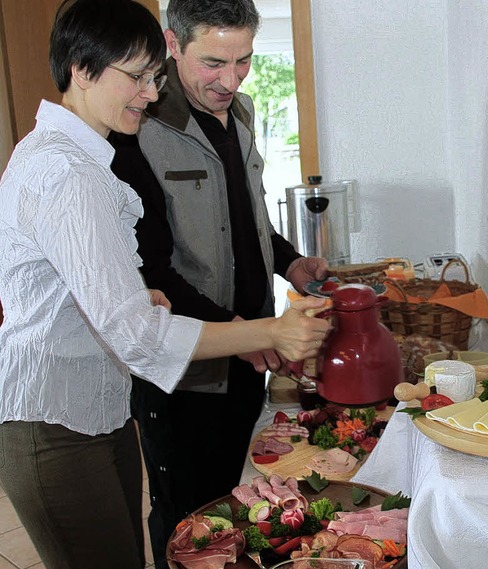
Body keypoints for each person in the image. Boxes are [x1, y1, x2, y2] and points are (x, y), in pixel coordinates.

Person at [0, 1, 330, 568]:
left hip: (97, 412)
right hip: (53, 419)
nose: (152, 95)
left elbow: (96, 287)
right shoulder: (67, 173)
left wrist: (137, 297)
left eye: (153, 79)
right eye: (138, 77)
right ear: (81, 68)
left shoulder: (84, 160)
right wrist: (268, 329)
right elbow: (136, 333)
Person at [109, 1, 329, 566]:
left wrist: (290, 264)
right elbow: (149, 270)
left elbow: (246, 218)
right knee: (189, 523)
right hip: (185, 371)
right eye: (213, 63)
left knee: (243, 505)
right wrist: (245, 331)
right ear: (173, 44)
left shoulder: (243, 113)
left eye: (244, 61)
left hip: (248, 353)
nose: (230, 81)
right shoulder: (139, 130)